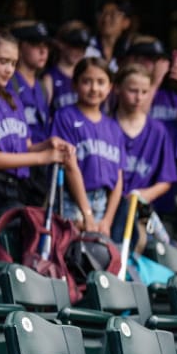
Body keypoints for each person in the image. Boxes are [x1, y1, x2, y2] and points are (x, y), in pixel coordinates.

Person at [0, 26, 72, 258]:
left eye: (14, 63)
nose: (9, 70)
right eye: (3, 61)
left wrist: (48, 145)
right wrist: (42, 157)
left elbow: (24, 146)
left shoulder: (12, 99)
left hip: (14, 188)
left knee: (16, 255)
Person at [51, 58, 124, 235]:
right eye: (86, 81)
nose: (94, 88)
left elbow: (118, 178)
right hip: (71, 200)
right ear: (75, 84)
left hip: (102, 203)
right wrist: (87, 214)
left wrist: (107, 220)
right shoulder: (65, 116)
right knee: (70, 255)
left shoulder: (113, 127)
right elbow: (70, 167)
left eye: (101, 82)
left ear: (110, 87)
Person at [113, 63, 176, 235]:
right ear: (117, 88)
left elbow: (166, 180)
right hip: (106, 209)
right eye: (133, 90)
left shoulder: (158, 131)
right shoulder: (106, 125)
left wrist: (143, 195)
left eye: (144, 92)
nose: (139, 97)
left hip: (140, 211)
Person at [120, 37, 177, 133]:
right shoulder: (126, 91)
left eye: (160, 59)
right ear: (133, 59)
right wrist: (154, 82)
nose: (157, 64)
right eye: (151, 58)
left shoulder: (169, 96)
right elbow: (136, 115)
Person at [7, 21, 52, 145]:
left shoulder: (42, 86)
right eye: (35, 44)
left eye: (46, 45)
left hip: (41, 157)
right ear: (19, 47)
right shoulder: (8, 81)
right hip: (18, 155)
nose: (43, 50)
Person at [44, 22, 89, 113]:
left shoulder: (87, 75)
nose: (80, 52)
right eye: (75, 46)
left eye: (83, 48)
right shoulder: (50, 77)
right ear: (61, 44)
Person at [87, 0, 132, 67]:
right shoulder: (85, 47)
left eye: (113, 14)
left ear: (126, 22)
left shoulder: (129, 53)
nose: (106, 19)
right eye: (102, 13)